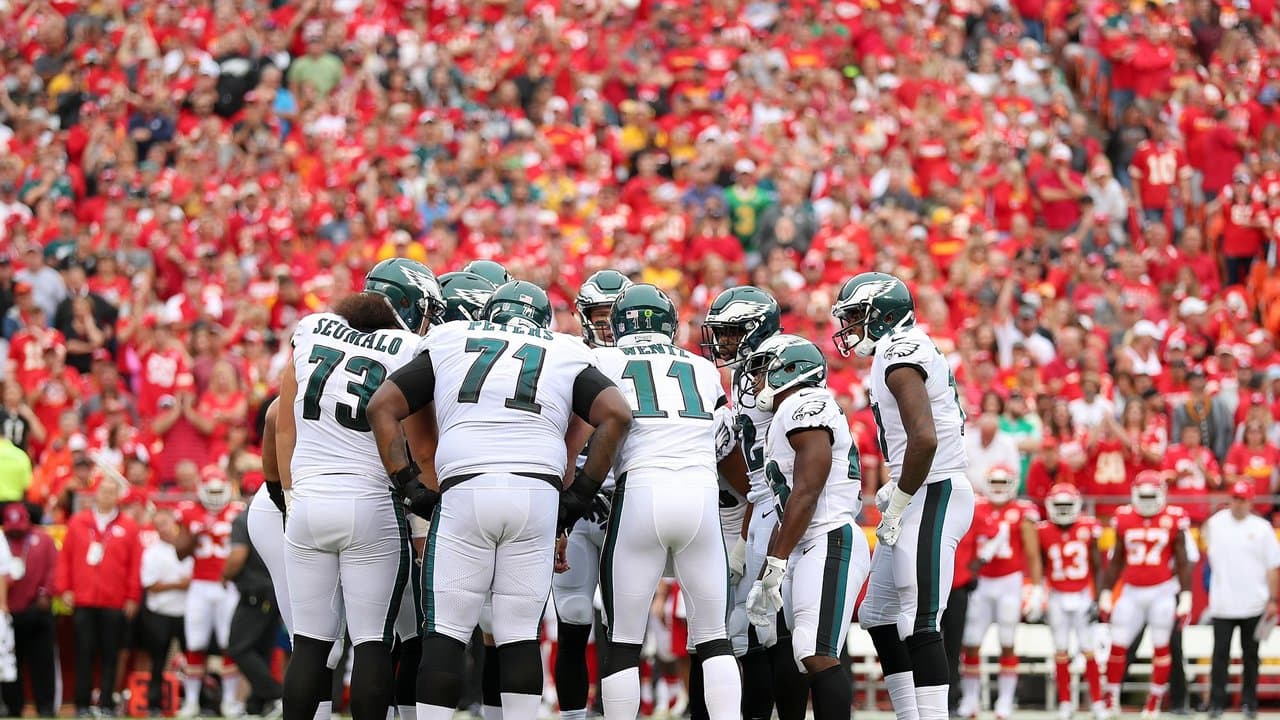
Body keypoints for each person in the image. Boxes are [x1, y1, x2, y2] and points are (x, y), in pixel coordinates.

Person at [365, 280, 634, 720]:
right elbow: (616, 414)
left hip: (466, 488)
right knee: (519, 636)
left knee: (446, 636)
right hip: (536, 494)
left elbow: (383, 405)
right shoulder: (566, 349)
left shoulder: (453, 337)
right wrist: (578, 497)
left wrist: (411, 489)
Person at [276, 258, 445, 720]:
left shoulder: (312, 330)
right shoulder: (410, 347)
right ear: (408, 305)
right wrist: (425, 518)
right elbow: (424, 449)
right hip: (370, 503)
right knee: (373, 642)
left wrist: (291, 495)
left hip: (308, 502)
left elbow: (282, 424)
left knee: (309, 644)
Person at [588, 284, 743, 720]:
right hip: (699, 494)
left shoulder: (603, 359)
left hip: (641, 490)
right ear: (670, 326)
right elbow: (722, 440)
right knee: (714, 637)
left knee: (623, 638)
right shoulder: (702, 367)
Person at [831, 272, 975, 720]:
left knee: (920, 617)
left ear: (884, 316)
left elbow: (925, 439)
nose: (850, 327)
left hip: (934, 488)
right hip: (917, 487)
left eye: (857, 316)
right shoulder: (898, 348)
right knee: (877, 614)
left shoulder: (900, 353)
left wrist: (898, 499)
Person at [741, 334, 870, 720]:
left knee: (816, 653)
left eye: (763, 369)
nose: (757, 380)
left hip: (828, 536)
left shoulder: (806, 402)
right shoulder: (786, 412)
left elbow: (808, 490)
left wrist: (777, 559)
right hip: (805, 540)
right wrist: (774, 560)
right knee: (798, 652)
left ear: (789, 370)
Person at [700, 285, 804, 720]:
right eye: (719, 333)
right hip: (760, 505)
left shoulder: (785, 366)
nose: (722, 342)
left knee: (785, 630)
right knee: (757, 630)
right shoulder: (745, 373)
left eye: (731, 332)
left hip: (784, 505)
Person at [553, 269, 632, 720]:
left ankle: (615, 710)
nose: (605, 327)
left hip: (627, 501)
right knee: (575, 614)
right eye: (597, 317)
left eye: (613, 317)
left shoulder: (646, 363)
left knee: (625, 621)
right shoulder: (568, 357)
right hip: (578, 505)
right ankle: (572, 715)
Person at [247, 400, 342, 720]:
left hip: (319, 503)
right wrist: (281, 492)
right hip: (290, 507)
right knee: (312, 639)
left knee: (327, 642)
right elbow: (275, 414)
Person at [1098, 472, 1192, 718]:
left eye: (1153, 496)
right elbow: (1117, 559)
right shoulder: (1124, 517)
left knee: (1161, 646)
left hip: (1161, 590)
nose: (1149, 502)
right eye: (1144, 496)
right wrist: (1106, 592)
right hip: (1131, 590)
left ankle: (1154, 701)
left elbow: (1182, 562)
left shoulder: (1174, 518)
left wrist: (1186, 596)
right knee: (1117, 645)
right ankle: (1112, 697)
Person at [959, 466, 1043, 720]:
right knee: (971, 641)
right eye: (993, 482)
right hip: (982, 582)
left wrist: (1036, 587)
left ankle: (1005, 700)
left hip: (1009, 581)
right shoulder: (976, 508)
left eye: (1002, 482)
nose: (997, 487)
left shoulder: (1022, 512)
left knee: (1008, 640)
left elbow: (1032, 553)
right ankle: (971, 699)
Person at [55, 479, 142, 718]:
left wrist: (133, 596)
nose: (107, 495)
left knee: (110, 652)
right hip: (84, 598)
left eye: (112, 491)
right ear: (95, 493)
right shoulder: (78, 522)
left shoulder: (129, 526)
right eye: (104, 490)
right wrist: (65, 589)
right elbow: (65, 558)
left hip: (114, 600)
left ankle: (106, 702)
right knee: (83, 651)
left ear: (118, 496)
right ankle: (82, 703)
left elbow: (135, 565)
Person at [1203, 481, 1280, 719]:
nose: (1238, 503)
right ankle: (1216, 703)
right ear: (1231, 498)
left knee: (1251, 656)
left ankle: (1249, 703)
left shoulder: (1262, 528)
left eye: (1243, 499)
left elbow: (1272, 567)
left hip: (1254, 603)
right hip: (1223, 603)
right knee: (1220, 655)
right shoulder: (1215, 524)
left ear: (1251, 501)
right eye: (1235, 498)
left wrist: (1273, 600)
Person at [174, 465, 245, 718]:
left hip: (228, 586)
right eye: (210, 490)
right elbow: (179, 552)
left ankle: (229, 702)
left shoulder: (237, 511)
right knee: (195, 642)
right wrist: (196, 531)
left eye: (218, 490)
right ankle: (191, 701)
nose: (215, 496)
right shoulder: (189, 511)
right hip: (200, 585)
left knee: (230, 643)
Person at [1037, 484, 1106, 720]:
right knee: (1060, 650)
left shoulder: (1088, 527)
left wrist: (1098, 598)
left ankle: (1097, 702)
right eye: (1059, 505)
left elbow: (1098, 565)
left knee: (1089, 649)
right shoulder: (1043, 531)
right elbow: (1040, 566)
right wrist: (1039, 595)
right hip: (1056, 595)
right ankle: (1065, 702)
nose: (1064, 510)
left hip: (1083, 594)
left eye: (1068, 505)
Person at [224, 505, 282, 716]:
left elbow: (238, 556)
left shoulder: (244, 518)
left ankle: (276, 693)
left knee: (238, 647)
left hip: (254, 592)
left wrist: (225, 575)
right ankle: (257, 704)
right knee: (261, 649)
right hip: (276, 589)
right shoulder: (279, 516)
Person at [1, 503, 56, 717]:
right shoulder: (1, 541)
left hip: (37, 610)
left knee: (42, 663)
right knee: (10, 664)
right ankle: (13, 708)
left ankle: (46, 708)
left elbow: (54, 568)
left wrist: (46, 592)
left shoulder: (43, 539)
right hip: (8, 613)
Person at [139, 509, 192, 717]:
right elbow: (150, 585)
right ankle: (154, 704)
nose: (162, 527)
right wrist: (180, 584)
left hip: (186, 611)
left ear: (173, 522)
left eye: (165, 522)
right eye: (157, 524)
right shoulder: (152, 551)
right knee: (158, 660)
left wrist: (170, 584)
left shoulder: (187, 547)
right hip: (160, 612)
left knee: (192, 659)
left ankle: (194, 700)